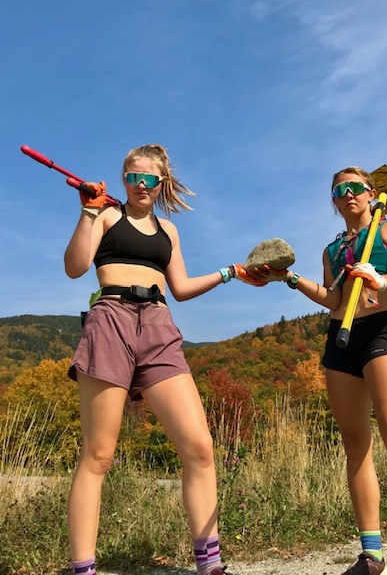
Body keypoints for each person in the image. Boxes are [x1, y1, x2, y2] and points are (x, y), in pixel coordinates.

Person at [64, 143, 263, 575]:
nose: (141, 185)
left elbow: (181, 288)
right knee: (98, 454)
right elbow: (75, 267)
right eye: (133, 177)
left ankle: (210, 564)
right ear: (123, 180)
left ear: (162, 182)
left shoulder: (168, 231)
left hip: (159, 325)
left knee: (200, 447)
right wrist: (87, 213)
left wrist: (230, 272)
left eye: (150, 179)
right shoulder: (107, 216)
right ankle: (84, 569)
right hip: (110, 320)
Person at [252, 167, 387, 575]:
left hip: (381, 330)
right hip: (341, 337)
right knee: (355, 442)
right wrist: (291, 278)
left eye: (355, 187)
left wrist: (379, 279)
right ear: (334, 200)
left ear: (371, 193)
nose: (348, 194)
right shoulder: (332, 250)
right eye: (339, 190)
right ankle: (371, 555)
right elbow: (334, 299)